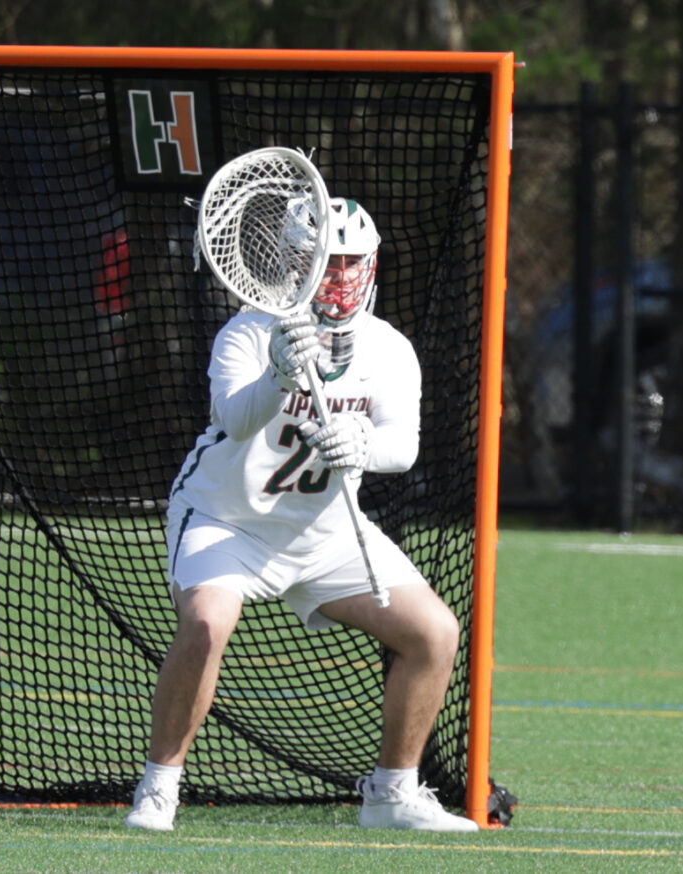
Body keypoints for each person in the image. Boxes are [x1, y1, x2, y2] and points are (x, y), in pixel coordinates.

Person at [124, 198, 479, 833]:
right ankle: (159, 788)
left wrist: (363, 444)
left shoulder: (389, 349)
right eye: (324, 261)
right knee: (206, 624)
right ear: (291, 264)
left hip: (325, 531)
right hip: (227, 521)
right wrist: (278, 377)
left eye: (351, 262)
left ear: (372, 266)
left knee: (434, 633)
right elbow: (235, 420)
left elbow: (403, 446)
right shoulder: (248, 333)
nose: (339, 276)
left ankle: (392, 794)